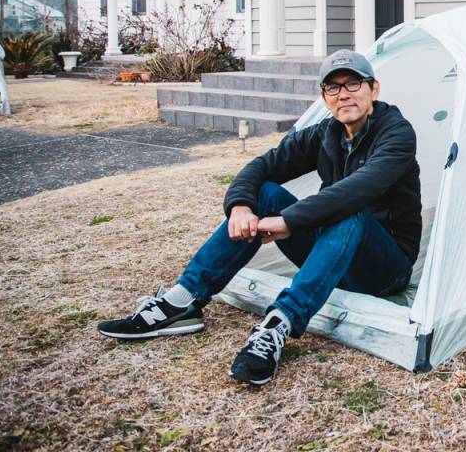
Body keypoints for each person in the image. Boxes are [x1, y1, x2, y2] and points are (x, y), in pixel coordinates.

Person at [96, 49, 421, 386]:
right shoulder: (325, 134)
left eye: (353, 83)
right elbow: (261, 166)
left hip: (384, 268)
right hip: (333, 255)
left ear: (374, 89)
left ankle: (279, 323)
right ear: (325, 98)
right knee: (264, 193)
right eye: (333, 88)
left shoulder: (396, 134)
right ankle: (184, 300)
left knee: (350, 211)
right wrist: (239, 206)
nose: (344, 94)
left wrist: (288, 222)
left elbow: (358, 189)